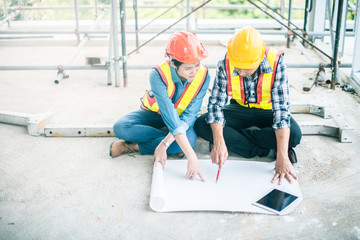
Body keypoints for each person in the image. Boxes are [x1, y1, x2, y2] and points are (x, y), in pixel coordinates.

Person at [194, 26, 302, 185]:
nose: (241, 72)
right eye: (238, 67)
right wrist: (218, 141)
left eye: (247, 68)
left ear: (259, 59)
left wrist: (283, 156)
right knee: (202, 124)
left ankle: (238, 138)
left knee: (294, 135)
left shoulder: (277, 63)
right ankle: (267, 150)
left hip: (268, 111)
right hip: (239, 108)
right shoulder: (226, 62)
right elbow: (216, 105)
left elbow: (281, 112)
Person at [110, 31, 210, 182]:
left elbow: (190, 116)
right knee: (120, 127)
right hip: (154, 114)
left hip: (182, 121)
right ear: (173, 63)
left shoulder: (204, 76)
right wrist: (190, 154)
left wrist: (164, 144)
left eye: (197, 65)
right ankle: (173, 141)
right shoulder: (157, 74)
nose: (194, 71)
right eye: (188, 68)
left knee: (189, 140)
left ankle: (132, 146)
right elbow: (169, 114)